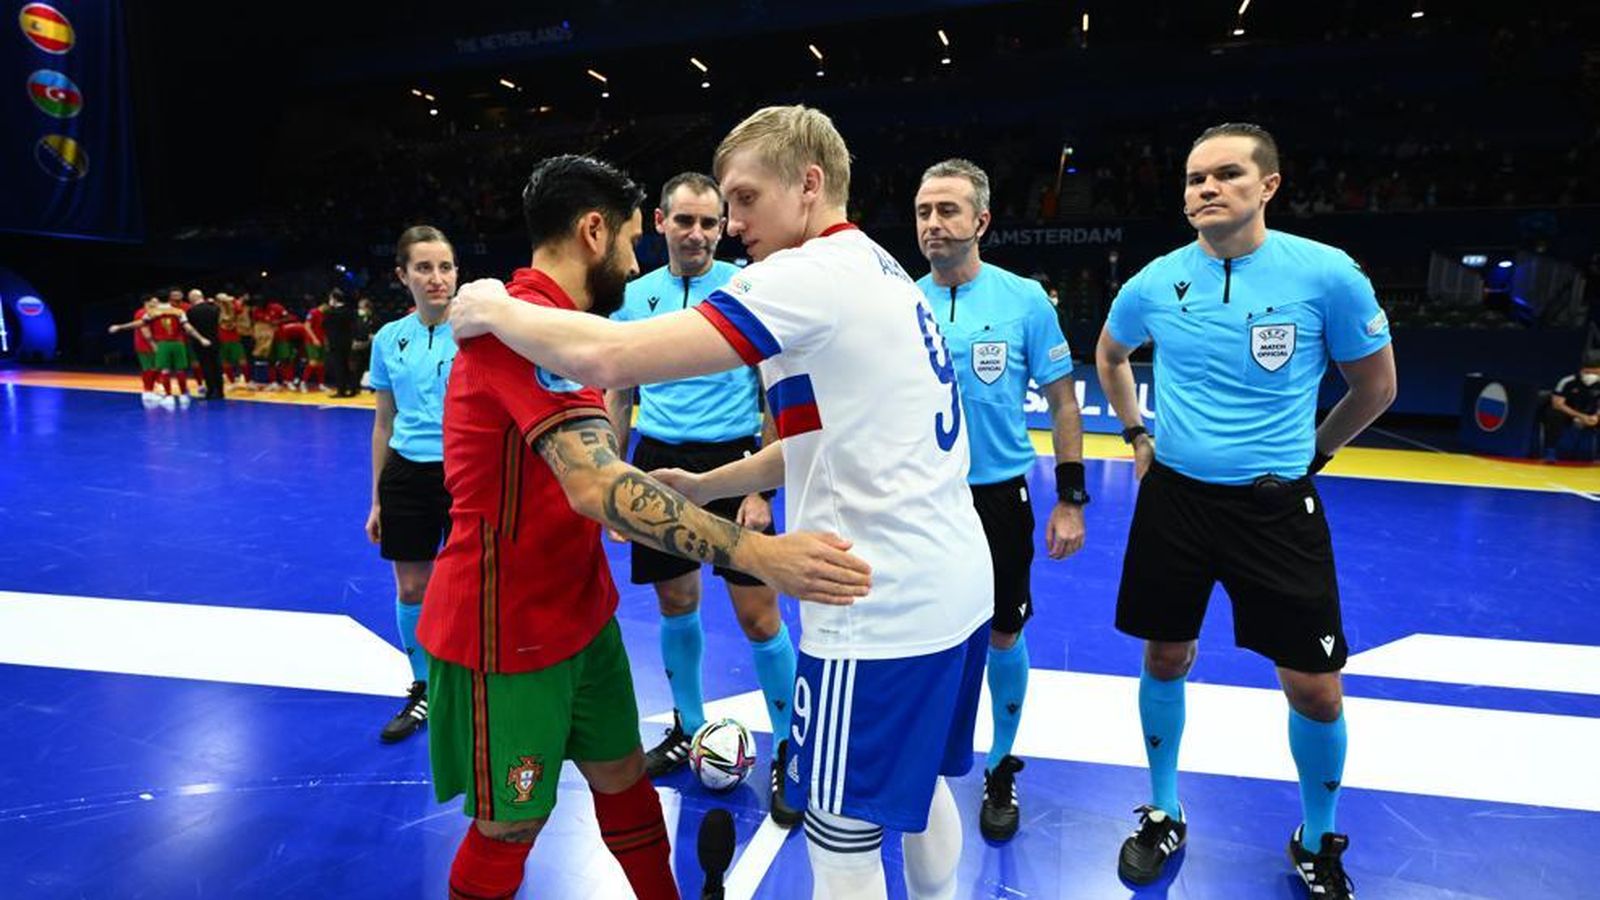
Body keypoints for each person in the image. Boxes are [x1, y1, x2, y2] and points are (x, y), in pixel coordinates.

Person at [449, 109, 991, 900]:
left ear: (809, 186)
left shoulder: (803, 276)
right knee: (920, 784)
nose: (733, 226)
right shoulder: (878, 267)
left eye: (743, 199)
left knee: (841, 835)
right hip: (954, 581)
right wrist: (709, 486)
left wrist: (491, 305)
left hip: (874, 602)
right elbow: (825, 440)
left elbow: (609, 353)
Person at [418, 154, 869, 900]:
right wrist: (759, 550)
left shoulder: (554, 325)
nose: (637, 258)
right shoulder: (515, 329)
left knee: (625, 781)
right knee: (510, 828)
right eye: (632, 238)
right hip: (506, 629)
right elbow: (594, 480)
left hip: (579, 611)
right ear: (594, 231)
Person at [1095, 122, 1396, 899]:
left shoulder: (1327, 275)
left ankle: (1317, 835)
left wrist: (1314, 455)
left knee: (1316, 686)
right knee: (1165, 657)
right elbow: (1109, 354)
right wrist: (1135, 433)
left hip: (1274, 510)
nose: (1206, 188)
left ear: (1268, 185)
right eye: (1195, 178)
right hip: (1175, 504)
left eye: (1226, 174)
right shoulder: (1155, 282)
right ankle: (1163, 810)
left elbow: (1376, 387)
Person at [607, 171, 801, 826]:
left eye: (709, 223)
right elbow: (619, 390)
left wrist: (762, 488)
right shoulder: (634, 298)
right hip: (658, 459)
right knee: (676, 599)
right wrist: (611, 481)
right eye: (684, 221)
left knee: (758, 614)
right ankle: (689, 728)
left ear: (723, 228)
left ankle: (790, 752)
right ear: (660, 221)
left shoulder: (748, 290)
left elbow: (778, 389)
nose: (696, 233)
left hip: (736, 461)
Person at [912, 157, 1088, 842]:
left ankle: (1001, 763)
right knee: (922, 628)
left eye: (948, 210)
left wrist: (1070, 497)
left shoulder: (1024, 300)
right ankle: (924, 753)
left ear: (981, 220)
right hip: (921, 498)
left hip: (997, 498)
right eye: (925, 211)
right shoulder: (903, 298)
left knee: (1002, 631)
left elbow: (1063, 400)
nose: (933, 223)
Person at [365, 225, 459, 743]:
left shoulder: (476, 332)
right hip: (407, 473)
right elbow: (383, 421)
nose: (437, 278)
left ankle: (474, 682)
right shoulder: (388, 338)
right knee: (413, 586)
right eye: (424, 268)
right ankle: (423, 687)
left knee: (476, 584)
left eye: (445, 267)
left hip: (466, 474)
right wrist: (377, 497)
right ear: (403, 276)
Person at [142, 293, 211, 408]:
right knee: (180, 370)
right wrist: (201, 338)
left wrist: (151, 342)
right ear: (170, 299)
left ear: (158, 300)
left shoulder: (151, 313)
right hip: (178, 344)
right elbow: (188, 328)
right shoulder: (178, 311)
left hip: (163, 344)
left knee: (165, 371)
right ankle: (183, 396)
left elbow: (143, 326)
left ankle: (169, 397)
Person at [1540, 351, 1600, 459]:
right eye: (1588, 372)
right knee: (1553, 413)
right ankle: (1550, 451)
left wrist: (1596, 416)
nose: (1591, 376)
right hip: (1568, 413)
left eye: (1595, 373)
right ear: (1582, 370)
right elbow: (1557, 404)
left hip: (1592, 416)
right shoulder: (1567, 381)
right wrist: (1580, 416)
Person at [107, 296, 161, 406]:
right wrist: (153, 345)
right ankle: (147, 392)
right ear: (147, 302)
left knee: (156, 368)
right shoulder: (142, 313)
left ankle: (153, 390)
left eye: (158, 301)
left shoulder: (154, 312)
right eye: (155, 302)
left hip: (153, 344)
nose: (157, 303)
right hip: (145, 346)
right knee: (149, 369)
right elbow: (145, 330)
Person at [185, 291, 225, 400]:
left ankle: (210, 391)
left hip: (200, 341)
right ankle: (220, 391)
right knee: (217, 365)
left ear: (193, 298)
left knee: (206, 366)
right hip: (215, 340)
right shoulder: (215, 309)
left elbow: (189, 329)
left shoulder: (191, 311)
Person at [323, 288, 358, 397]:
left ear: (334, 299)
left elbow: (326, 326)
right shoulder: (349, 311)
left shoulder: (332, 313)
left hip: (336, 344)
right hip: (347, 342)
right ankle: (352, 389)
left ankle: (341, 390)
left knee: (339, 367)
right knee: (348, 366)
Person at [215, 293, 249, 387]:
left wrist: (233, 300)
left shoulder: (234, 308)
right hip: (221, 339)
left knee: (242, 361)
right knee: (225, 362)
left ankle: (247, 381)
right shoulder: (215, 309)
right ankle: (232, 382)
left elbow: (240, 309)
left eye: (225, 300)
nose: (224, 302)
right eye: (221, 301)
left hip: (235, 339)